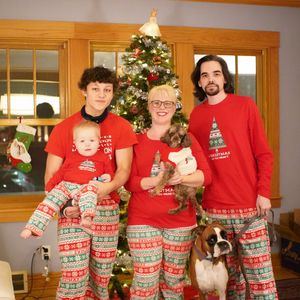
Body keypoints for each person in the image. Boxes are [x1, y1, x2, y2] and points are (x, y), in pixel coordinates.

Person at [43, 66, 137, 299]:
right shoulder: (64, 129)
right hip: (72, 209)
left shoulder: (121, 126)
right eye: (95, 89)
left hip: (106, 210)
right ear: (84, 91)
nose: (101, 95)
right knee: (73, 277)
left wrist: (105, 188)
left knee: (101, 277)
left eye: (107, 89)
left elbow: (124, 170)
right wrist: (65, 208)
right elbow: (50, 175)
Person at [189, 54, 278, 299]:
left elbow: (264, 154)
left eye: (216, 73)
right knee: (230, 282)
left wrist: (263, 193)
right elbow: (194, 162)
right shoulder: (196, 117)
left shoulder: (245, 105)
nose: (210, 79)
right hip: (215, 210)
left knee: (261, 279)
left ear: (225, 78)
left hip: (249, 206)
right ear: (199, 82)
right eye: (204, 75)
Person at [125, 84, 211, 300]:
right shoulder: (137, 141)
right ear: (148, 106)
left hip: (180, 222)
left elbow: (206, 176)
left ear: (175, 108)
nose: (161, 107)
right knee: (145, 283)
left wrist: (182, 178)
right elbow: (129, 182)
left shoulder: (186, 138)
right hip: (143, 220)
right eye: (156, 102)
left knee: (173, 283)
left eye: (168, 103)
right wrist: (156, 181)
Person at [20, 120, 114, 239]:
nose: (87, 144)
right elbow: (60, 173)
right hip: (67, 186)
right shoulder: (72, 157)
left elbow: (109, 172)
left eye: (92, 140)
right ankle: (32, 227)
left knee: (91, 191)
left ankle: (87, 217)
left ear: (99, 141)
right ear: (75, 143)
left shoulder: (103, 157)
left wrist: (108, 176)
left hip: (85, 188)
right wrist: (50, 187)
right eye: (82, 141)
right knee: (49, 202)